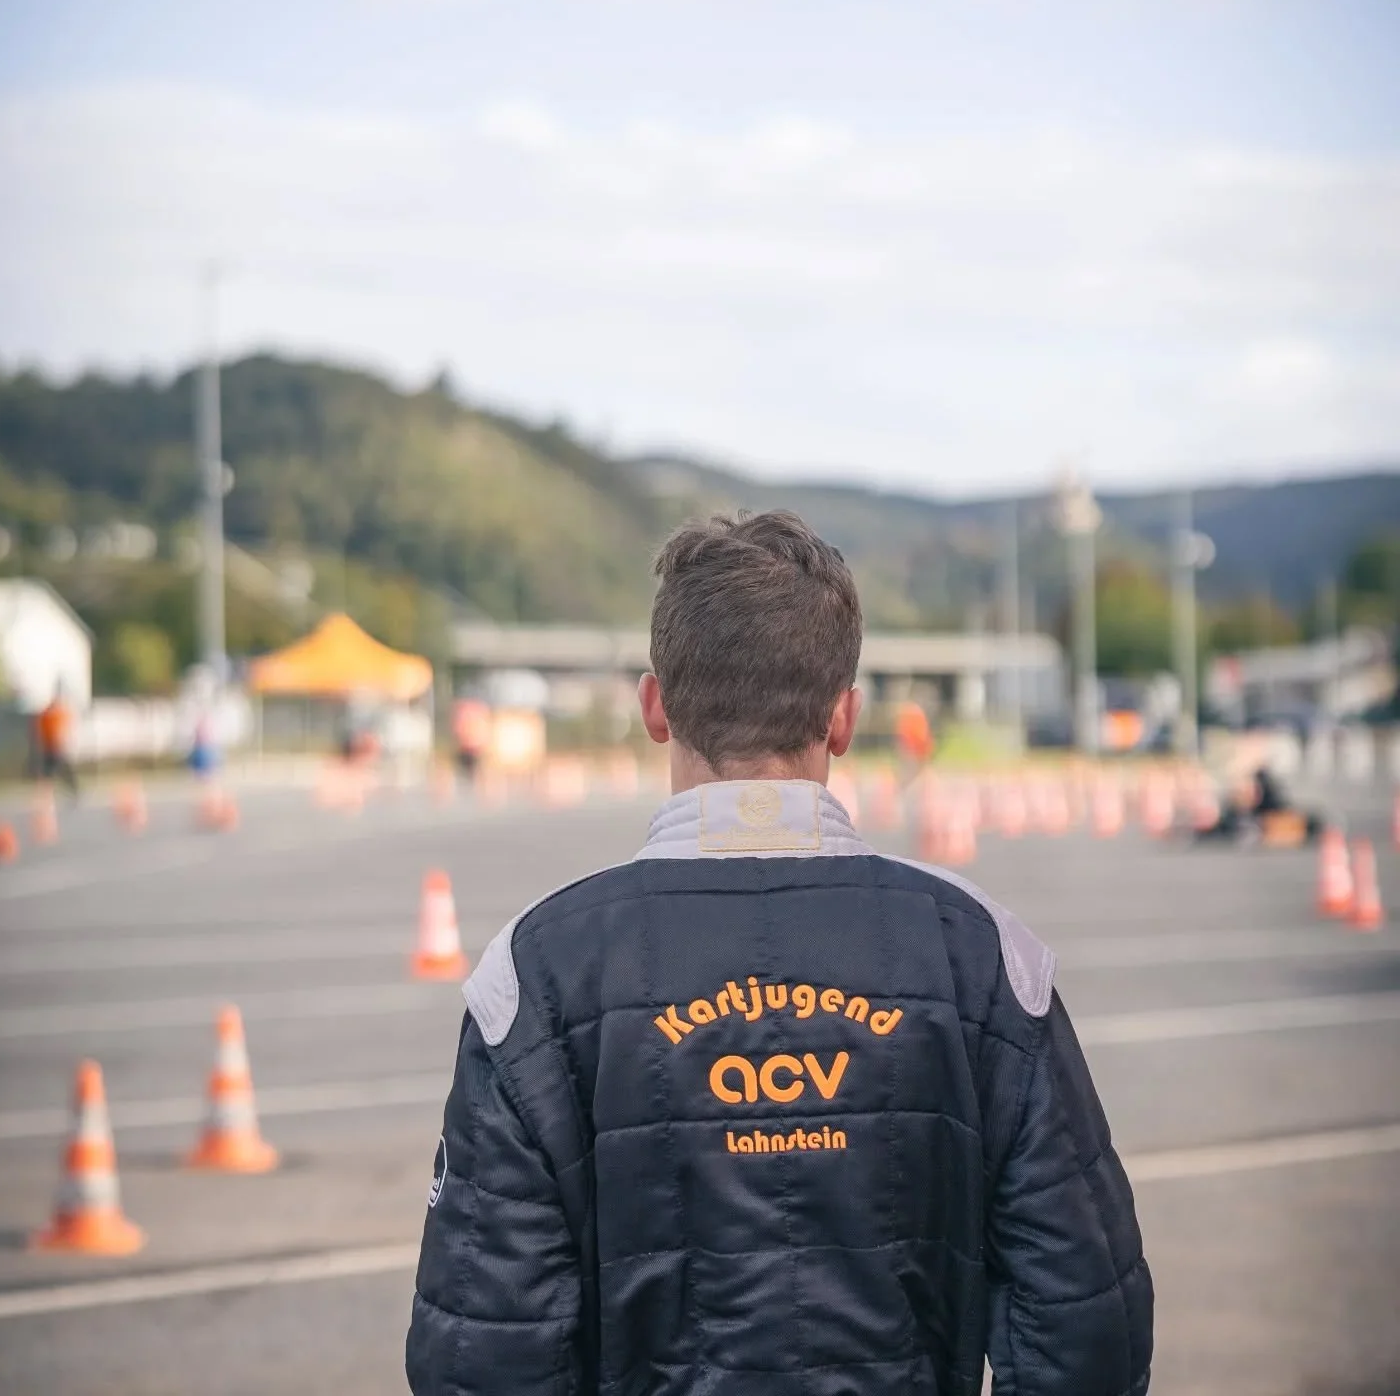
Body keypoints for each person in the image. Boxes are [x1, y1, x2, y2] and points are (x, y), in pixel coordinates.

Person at [407, 511, 1153, 1396]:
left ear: (655, 708)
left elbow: (482, 1354)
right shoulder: (986, 957)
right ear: (844, 717)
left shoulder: (534, 973)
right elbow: (1086, 1325)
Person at [34, 686, 78, 798]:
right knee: (49, 772)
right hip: (50, 748)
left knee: (63, 771)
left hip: (57, 748)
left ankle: (73, 789)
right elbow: (41, 732)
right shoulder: (48, 715)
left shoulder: (59, 713)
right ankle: (47, 793)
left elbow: (65, 730)